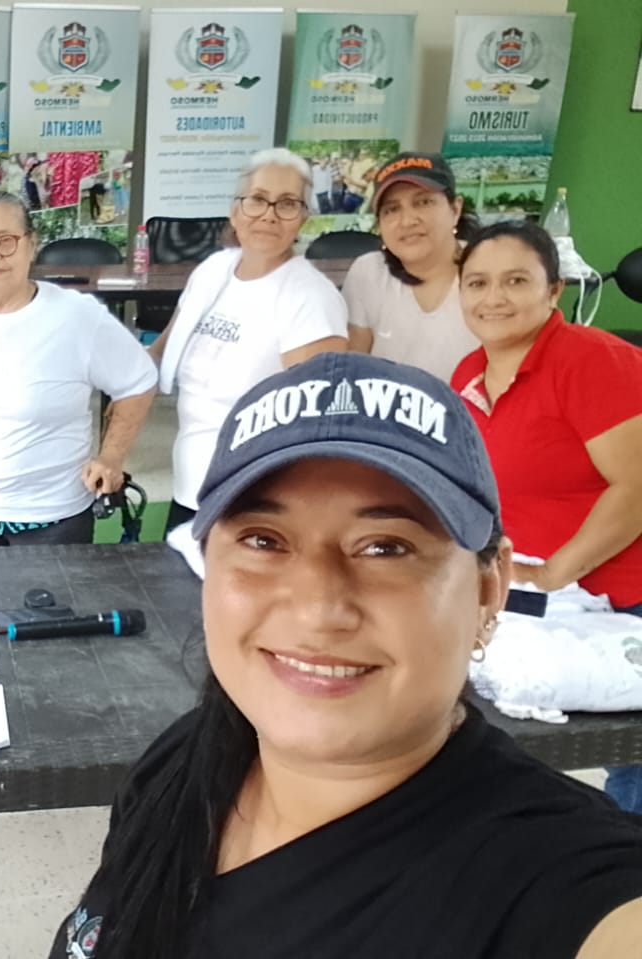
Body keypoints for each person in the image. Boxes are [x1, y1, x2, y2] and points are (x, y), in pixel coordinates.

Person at [51, 350, 642, 959]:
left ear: (488, 589)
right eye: (263, 540)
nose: (318, 608)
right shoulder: (183, 760)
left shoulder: (550, 880)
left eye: (386, 547)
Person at [452, 220, 642, 815]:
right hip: (548, 602)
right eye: (477, 282)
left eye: (516, 281)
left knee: (633, 772)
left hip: (624, 599)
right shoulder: (468, 374)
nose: (494, 297)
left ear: (554, 290)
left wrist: (557, 572)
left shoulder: (594, 361)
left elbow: (636, 486)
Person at [0, 191, 156, 547]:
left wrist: (111, 457)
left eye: (5, 241)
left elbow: (138, 381)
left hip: (50, 516)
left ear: (31, 244)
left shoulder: (76, 316)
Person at [148, 147, 348, 533]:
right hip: (190, 490)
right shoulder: (213, 270)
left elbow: (318, 425)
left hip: (253, 502)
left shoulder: (311, 299)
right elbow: (160, 352)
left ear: (303, 218)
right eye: (257, 199)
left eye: (287, 203)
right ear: (235, 210)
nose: (269, 214)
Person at [344, 152, 479, 381]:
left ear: (455, 209)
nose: (407, 221)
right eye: (392, 209)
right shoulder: (368, 272)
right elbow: (353, 372)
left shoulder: (488, 270)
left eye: (423, 202)